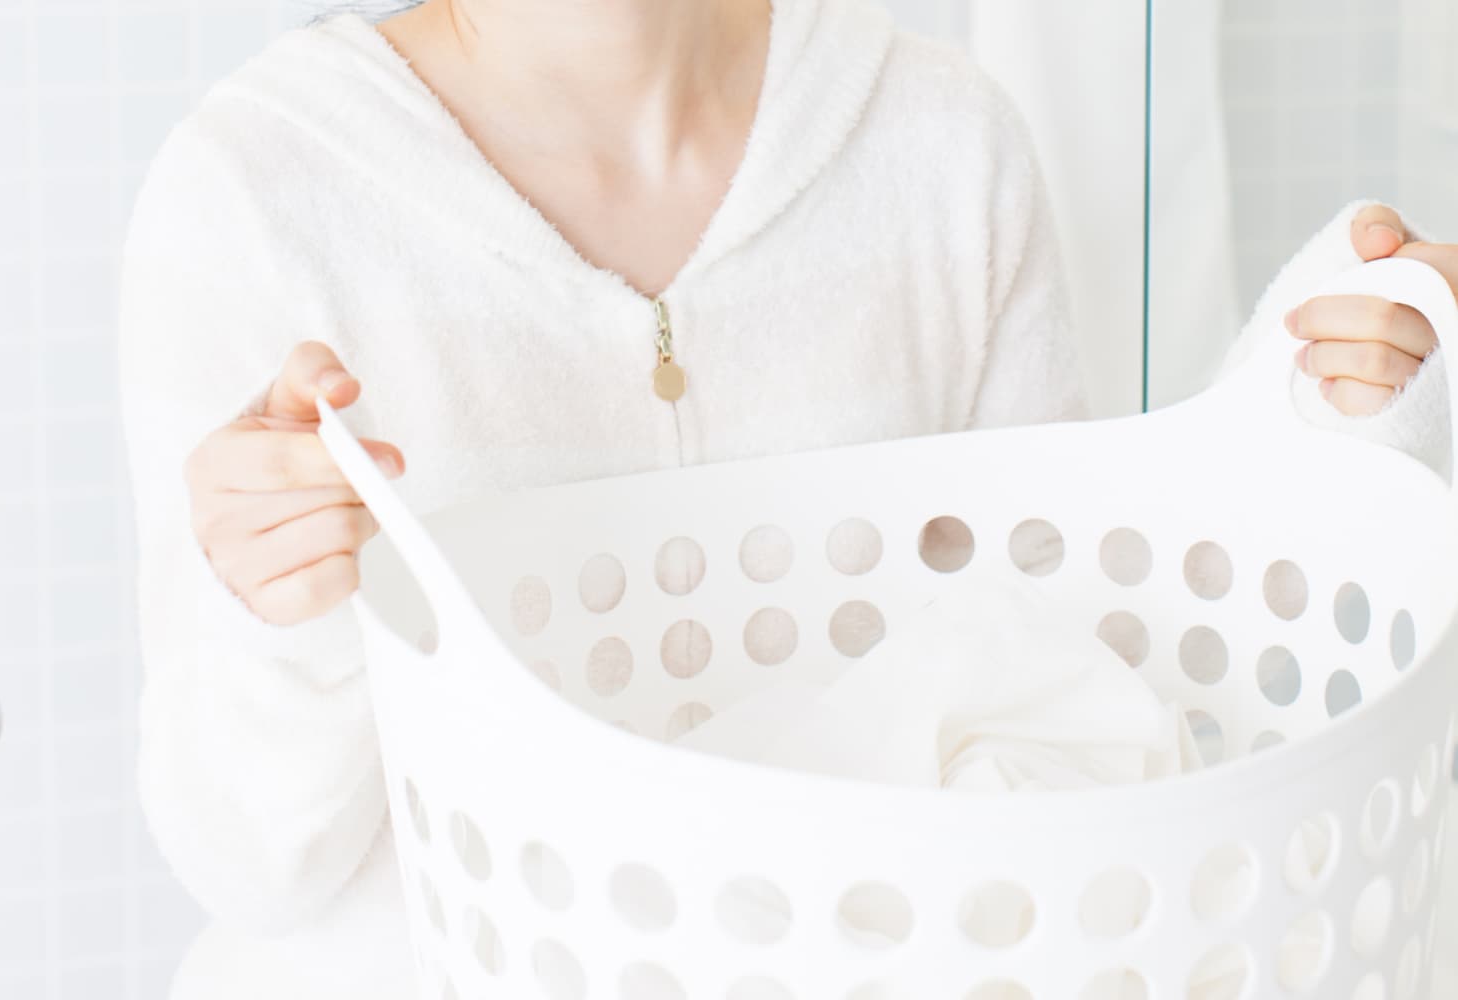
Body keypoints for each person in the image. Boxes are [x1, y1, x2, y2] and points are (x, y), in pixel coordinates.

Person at [116, 0, 1458, 995]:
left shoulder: (939, 144)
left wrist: (1321, 432)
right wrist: (280, 622)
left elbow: (1070, 678)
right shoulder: (258, 199)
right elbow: (249, 869)